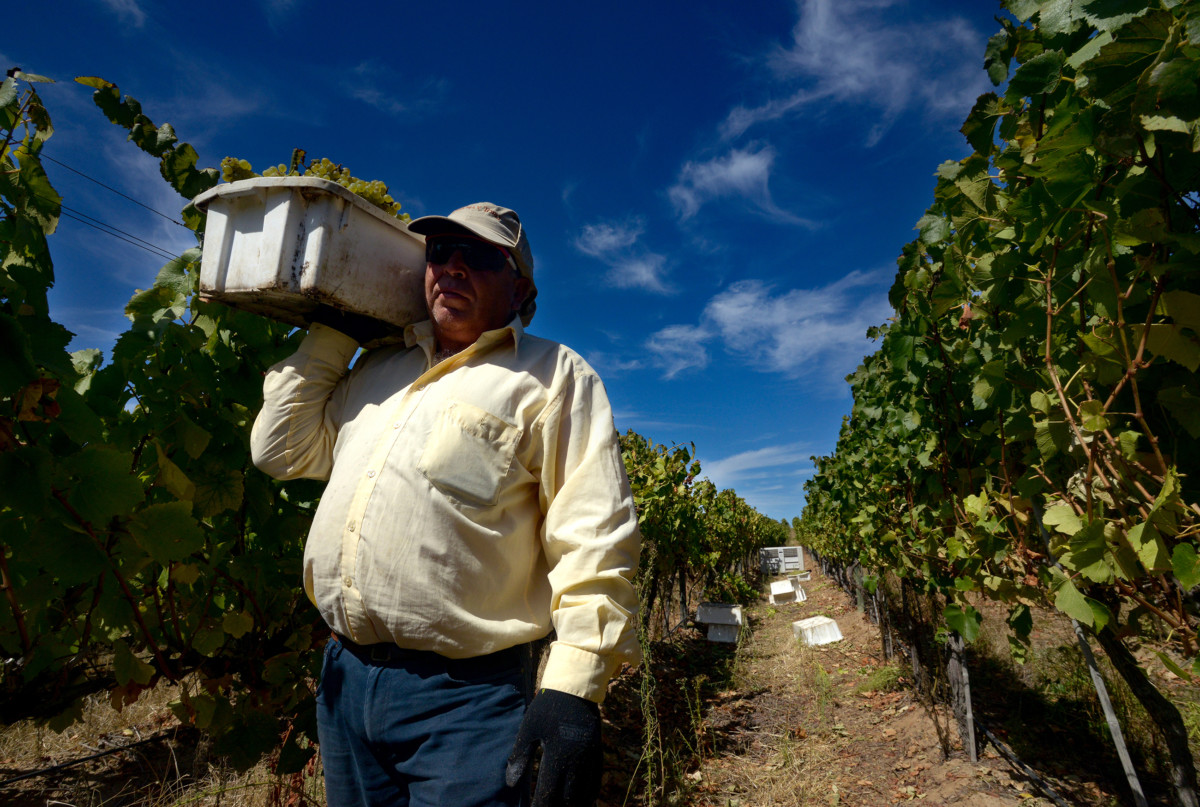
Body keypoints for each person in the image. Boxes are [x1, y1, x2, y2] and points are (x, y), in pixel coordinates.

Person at [250, 202, 641, 807]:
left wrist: (574, 689)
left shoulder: (555, 376)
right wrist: (334, 331)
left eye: (480, 256)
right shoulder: (378, 366)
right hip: (343, 678)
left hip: (468, 701)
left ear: (521, 289)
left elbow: (593, 535)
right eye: (439, 252)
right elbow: (281, 451)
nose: (453, 267)